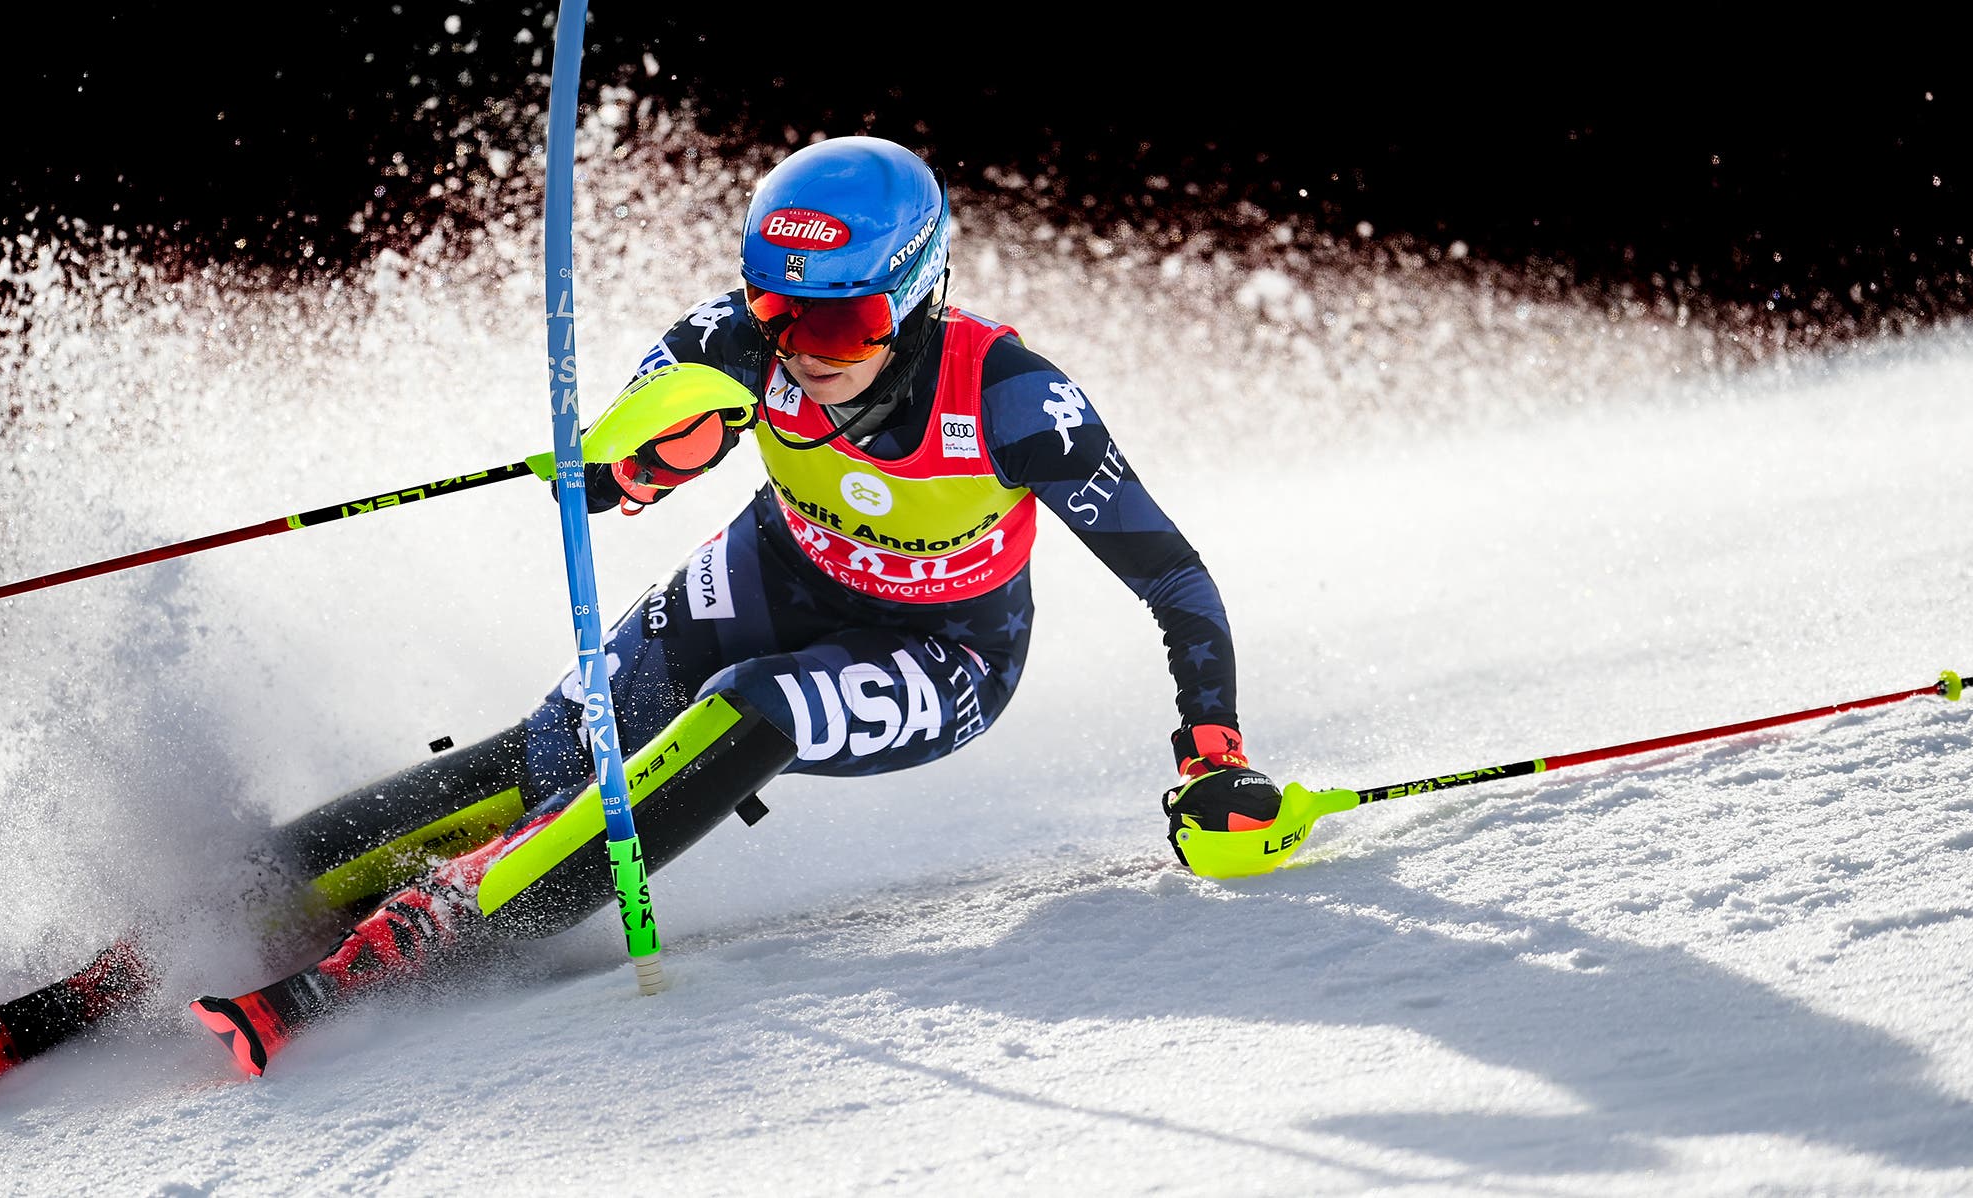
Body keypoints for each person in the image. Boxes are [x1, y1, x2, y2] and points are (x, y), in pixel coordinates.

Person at [171, 135, 1281, 1075]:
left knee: (759, 705)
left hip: (945, 651)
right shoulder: (735, 343)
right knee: (556, 753)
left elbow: (1172, 575)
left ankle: (426, 934)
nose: (803, 348)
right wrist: (635, 462)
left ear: (918, 296)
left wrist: (1213, 752)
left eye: (842, 328)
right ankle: (211, 910)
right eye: (779, 310)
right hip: (776, 572)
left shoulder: (1017, 402)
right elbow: (609, 472)